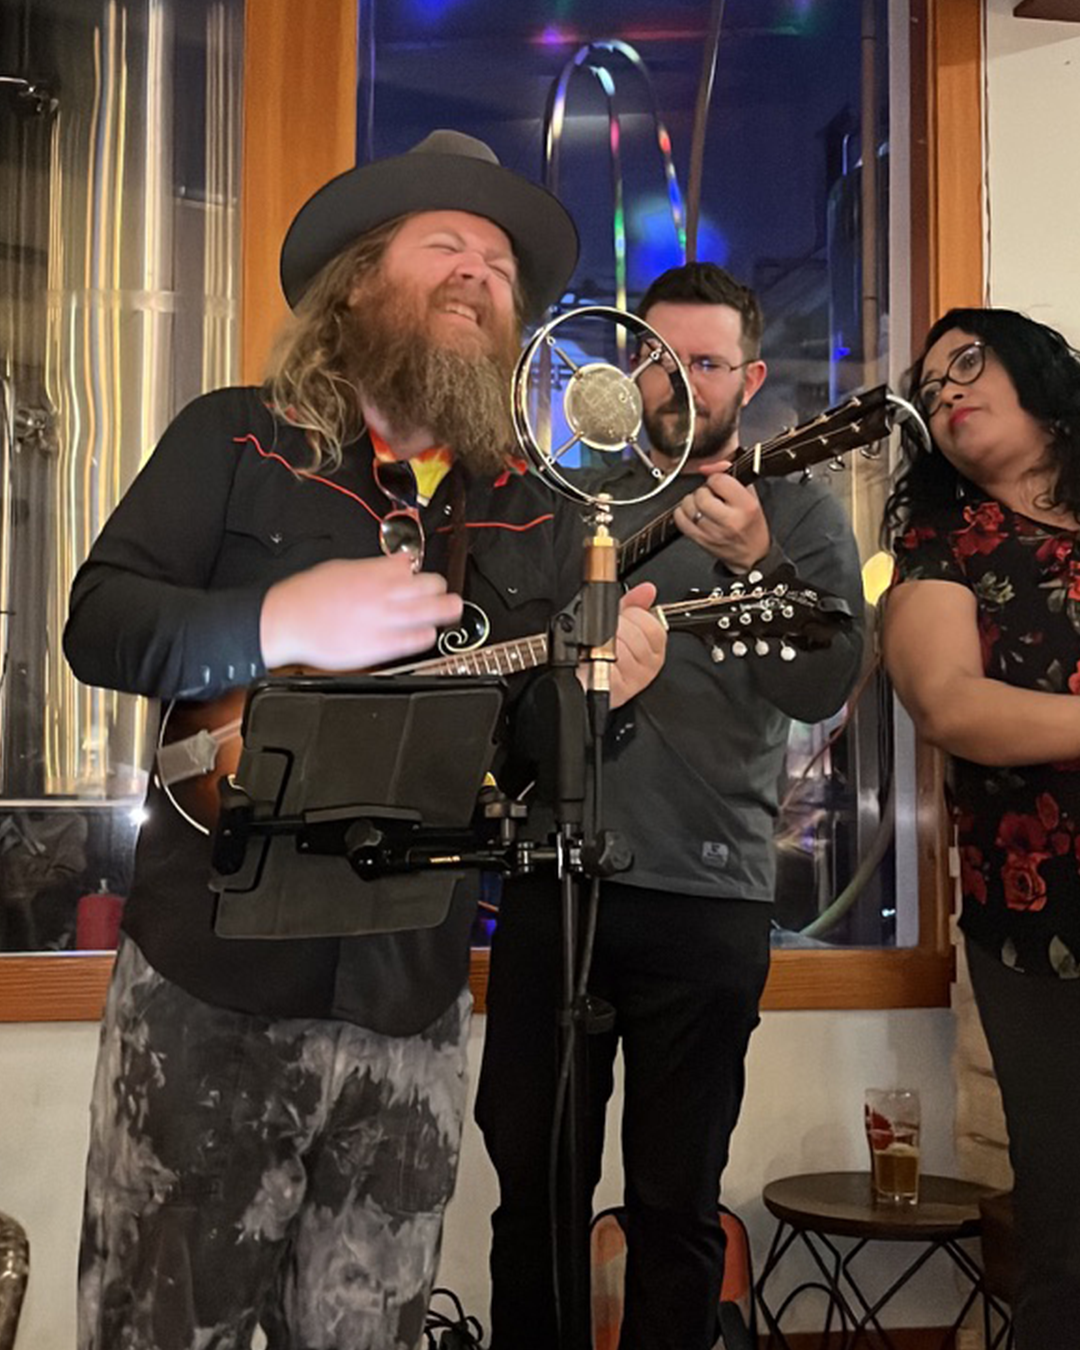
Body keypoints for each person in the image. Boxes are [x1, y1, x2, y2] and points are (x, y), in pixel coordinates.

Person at [63, 129, 668, 1350]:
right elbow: (103, 625)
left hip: (414, 1002)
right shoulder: (236, 437)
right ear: (356, 282)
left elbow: (539, 768)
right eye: (444, 242)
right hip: (208, 987)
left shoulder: (531, 511)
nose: (480, 272)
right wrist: (276, 618)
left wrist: (604, 695)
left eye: (500, 264)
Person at [476, 261, 866, 1350]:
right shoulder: (555, 504)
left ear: (750, 375)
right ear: (623, 365)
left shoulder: (797, 514)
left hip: (708, 896)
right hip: (552, 885)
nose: (677, 382)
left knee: (678, 1201)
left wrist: (762, 564)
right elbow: (493, 692)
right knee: (534, 1195)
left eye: (703, 362)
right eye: (657, 357)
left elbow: (822, 687)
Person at [882, 307, 1080, 1350]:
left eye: (970, 359)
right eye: (932, 383)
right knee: (1070, 1230)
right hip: (1047, 926)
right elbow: (951, 708)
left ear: (1042, 373)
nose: (948, 385)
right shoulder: (940, 547)